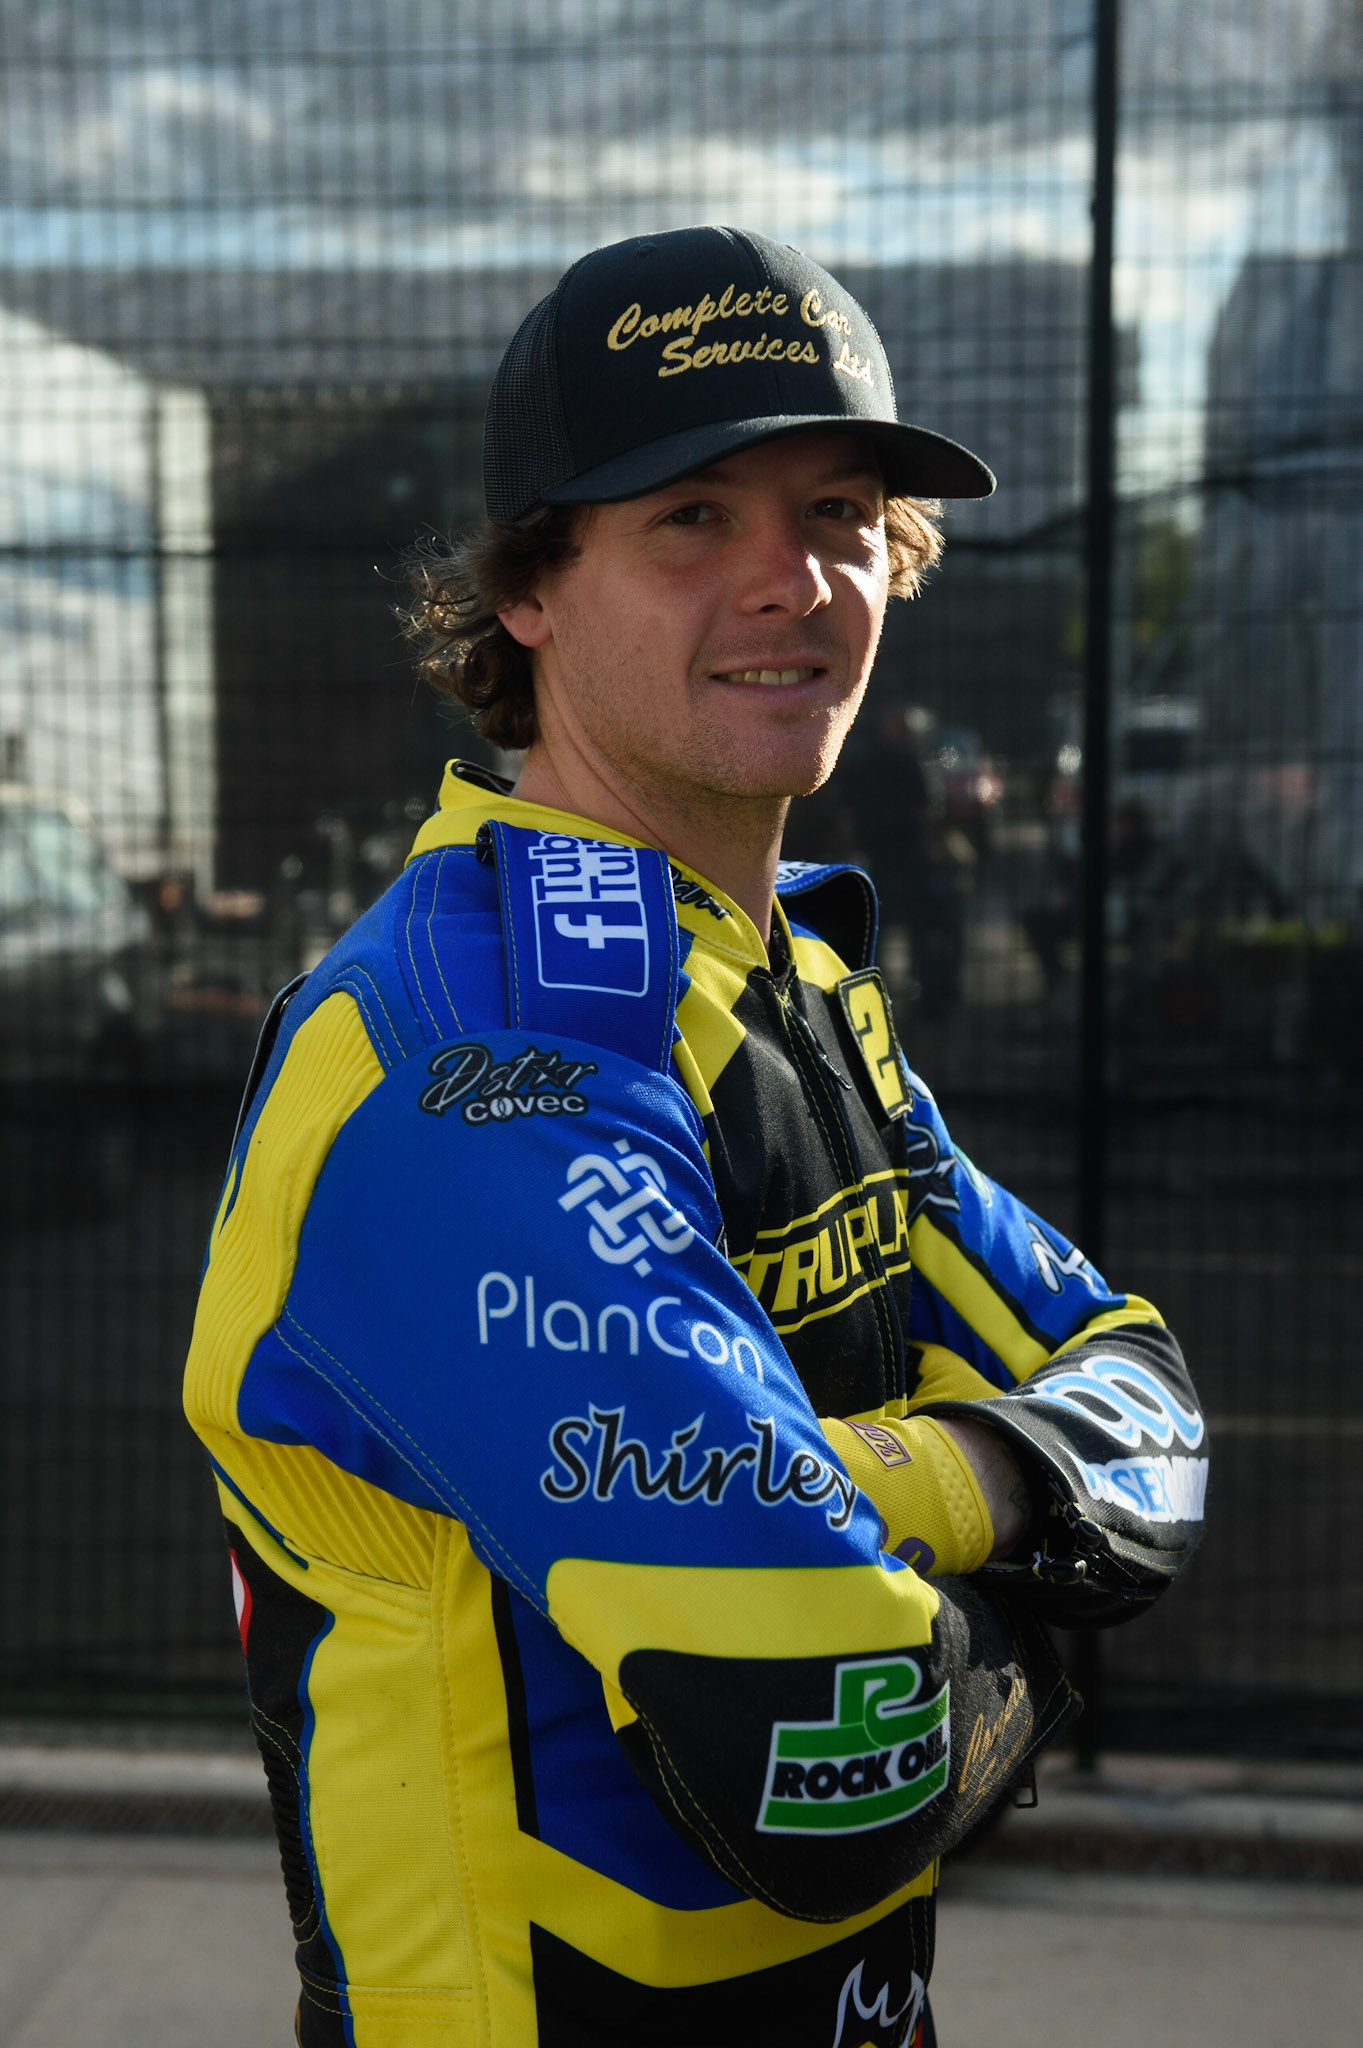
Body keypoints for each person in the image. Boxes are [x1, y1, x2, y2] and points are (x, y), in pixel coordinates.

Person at [184, 226, 1208, 2048]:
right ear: (528, 589)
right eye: (691, 518)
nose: (791, 583)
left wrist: (887, 1493)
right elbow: (841, 1761)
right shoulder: (466, 1057)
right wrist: (1028, 1546)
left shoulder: (771, 967)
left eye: (837, 513)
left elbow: (1149, 1396)